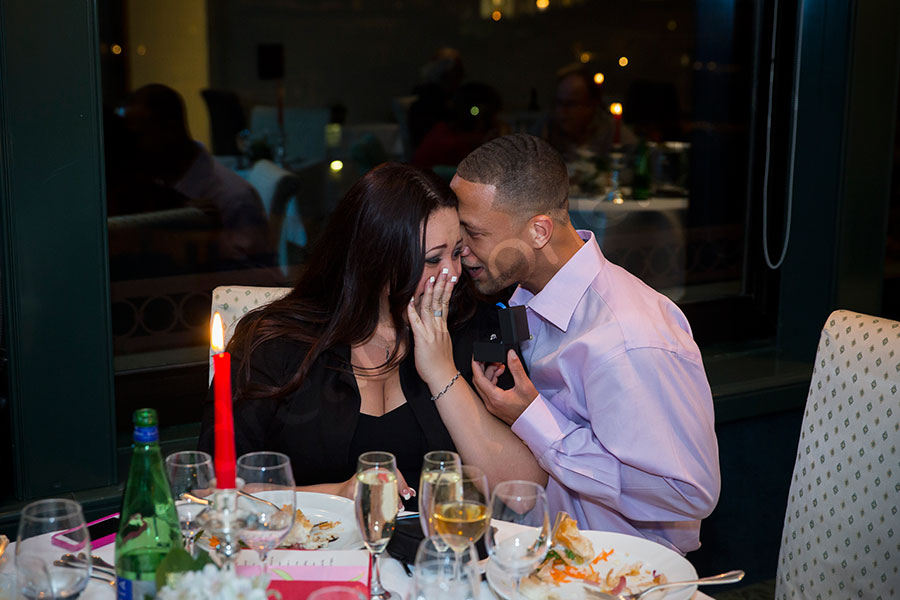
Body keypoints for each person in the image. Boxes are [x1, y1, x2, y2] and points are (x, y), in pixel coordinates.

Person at [198, 162, 544, 507]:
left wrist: (442, 373)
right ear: (374, 261)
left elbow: (522, 494)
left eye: (456, 253)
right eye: (432, 260)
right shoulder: (274, 345)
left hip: (440, 552)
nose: (452, 273)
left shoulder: (476, 330)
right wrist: (339, 494)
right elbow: (209, 493)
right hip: (312, 553)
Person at [451, 134, 719, 554]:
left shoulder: (628, 339)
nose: (460, 250)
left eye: (474, 234)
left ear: (538, 231)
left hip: (617, 567)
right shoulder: (524, 298)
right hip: (537, 550)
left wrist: (533, 418)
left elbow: (687, 493)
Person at [122, 84, 272, 271]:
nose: (132, 147)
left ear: (171, 129)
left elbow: (262, 281)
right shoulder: (156, 188)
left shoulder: (234, 198)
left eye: (139, 136)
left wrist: (209, 240)